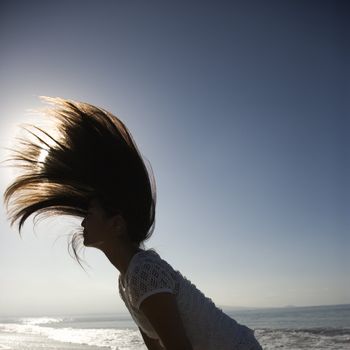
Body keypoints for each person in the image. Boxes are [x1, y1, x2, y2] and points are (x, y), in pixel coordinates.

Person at [2, 96, 263, 350]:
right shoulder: (126, 280)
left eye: (91, 213)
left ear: (117, 225)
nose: (83, 221)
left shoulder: (143, 272)